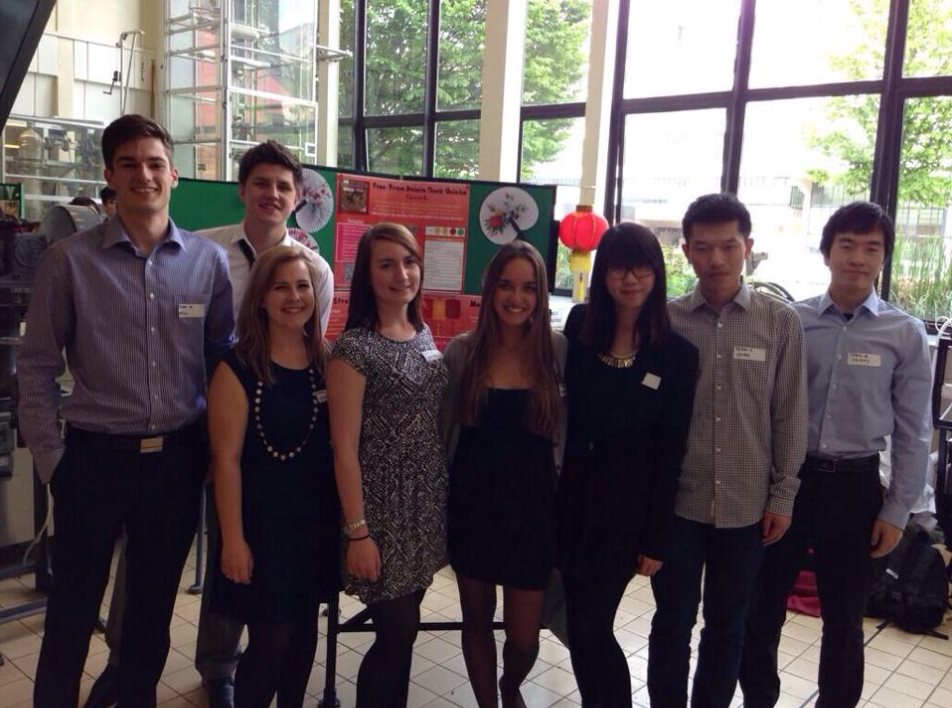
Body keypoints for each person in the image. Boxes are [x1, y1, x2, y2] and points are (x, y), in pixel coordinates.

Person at [85, 139, 334, 708]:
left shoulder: (314, 271)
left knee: (234, 545)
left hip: (263, 437)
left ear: (297, 198)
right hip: (186, 422)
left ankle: (219, 665)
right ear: (242, 189)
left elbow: (306, 344)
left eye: (284, 186)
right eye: (261, 183)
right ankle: (123, 663)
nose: (272, 194)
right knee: (150, 553)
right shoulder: (201, 252)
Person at [18, 114, 234, 707]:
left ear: (174, 174)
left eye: (155, 163)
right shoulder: (68, 261)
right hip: (94, 460)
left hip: (176, 462)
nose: (145, 174)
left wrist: (216, 451)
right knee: (71, 615)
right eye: (130, 164)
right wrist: (54, 463)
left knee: (149, 619)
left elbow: (223, 360)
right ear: (110, 176)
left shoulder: (207, 262)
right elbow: (36, 366)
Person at [739, 202, 932, 708]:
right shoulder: (792, 321)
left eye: (872, 248)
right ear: (827, 253)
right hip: (789, 480)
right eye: (847, 245)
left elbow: (914, 431)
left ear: (883, 258)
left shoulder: (905, 333)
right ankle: (758, 698)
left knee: (845, 618)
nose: (858, 258)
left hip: (855, 488)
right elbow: (763, 407)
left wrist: (897, 510)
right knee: (763, 606)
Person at [647, 193, 807, 708]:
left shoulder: (779, 322)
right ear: (686, 252)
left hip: (746, 505)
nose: (716, 259)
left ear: (748, 247)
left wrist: (783, 496)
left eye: (728, 246)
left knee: (727, 626)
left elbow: (789, 414)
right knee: (672, 621)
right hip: (679, 504)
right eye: (703, 247)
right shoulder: (666, 320)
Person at [558, 222, 698, 707]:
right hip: (572, 507)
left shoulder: (676, 355)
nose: (631, 278)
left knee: (593, 624)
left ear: (657, 273)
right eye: (619, 267)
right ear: (604, 273)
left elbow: (671, 452)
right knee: (578, 625)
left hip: (626, 518)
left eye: (642, 268)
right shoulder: (580, 326)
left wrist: (656, 537)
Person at [209, 245, 339, 707]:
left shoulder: (326, 360)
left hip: (314, 527)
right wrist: (233, 540)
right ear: (260, 298)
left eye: (303, 286)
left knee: (303, 637)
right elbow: (225, 460)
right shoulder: (237, 368)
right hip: (262, 529)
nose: (294, 297)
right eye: (280, 287)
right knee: (271, 641)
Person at [440, 241, 567, 708]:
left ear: (541, 294)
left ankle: (510, 686)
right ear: (490, 289)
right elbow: (444, 434)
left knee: (524, 637)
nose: (517, 298)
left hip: (534, 511)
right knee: (475, 618)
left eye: (529, 288)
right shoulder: (462, 352)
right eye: (507, 286)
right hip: (473, 506)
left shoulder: (556, 350)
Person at [327, 222, 448, 708]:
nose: (402, 274)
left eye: (409, 261)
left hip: (423, 503)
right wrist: (358, 532)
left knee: (406, 632)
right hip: (380, 510)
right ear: (368, 275)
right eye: (387, 264)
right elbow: (343, 449)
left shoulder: (423, 334)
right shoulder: (354, 348)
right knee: (396, 633)